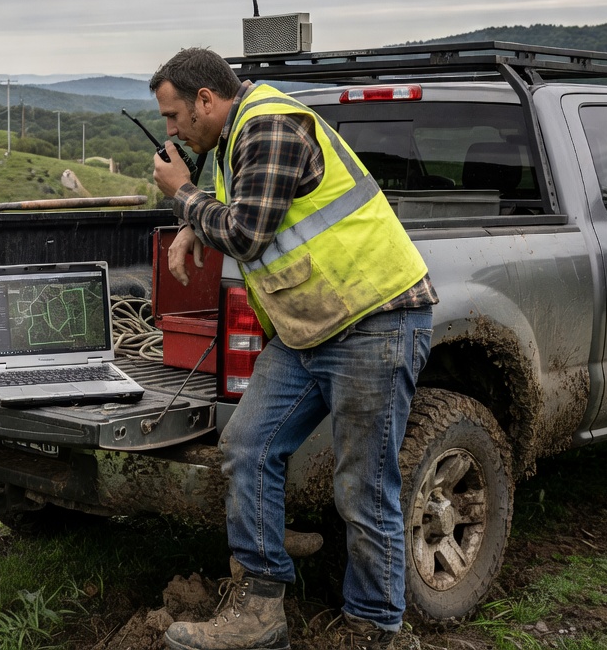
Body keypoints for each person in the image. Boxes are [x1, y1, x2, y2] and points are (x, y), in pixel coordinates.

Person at [149, 48, 436, 650]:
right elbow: (249, 207)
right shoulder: (234, 140)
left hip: (374, 319)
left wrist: (182, 197)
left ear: (206, 99)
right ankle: (260, 609)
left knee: (362, 487)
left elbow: (247, 235)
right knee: (247, 447)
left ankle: (372, 627)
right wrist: (190, 224)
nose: (172, 132)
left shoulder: (268, 125)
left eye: (175, 116)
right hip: (311, 329)